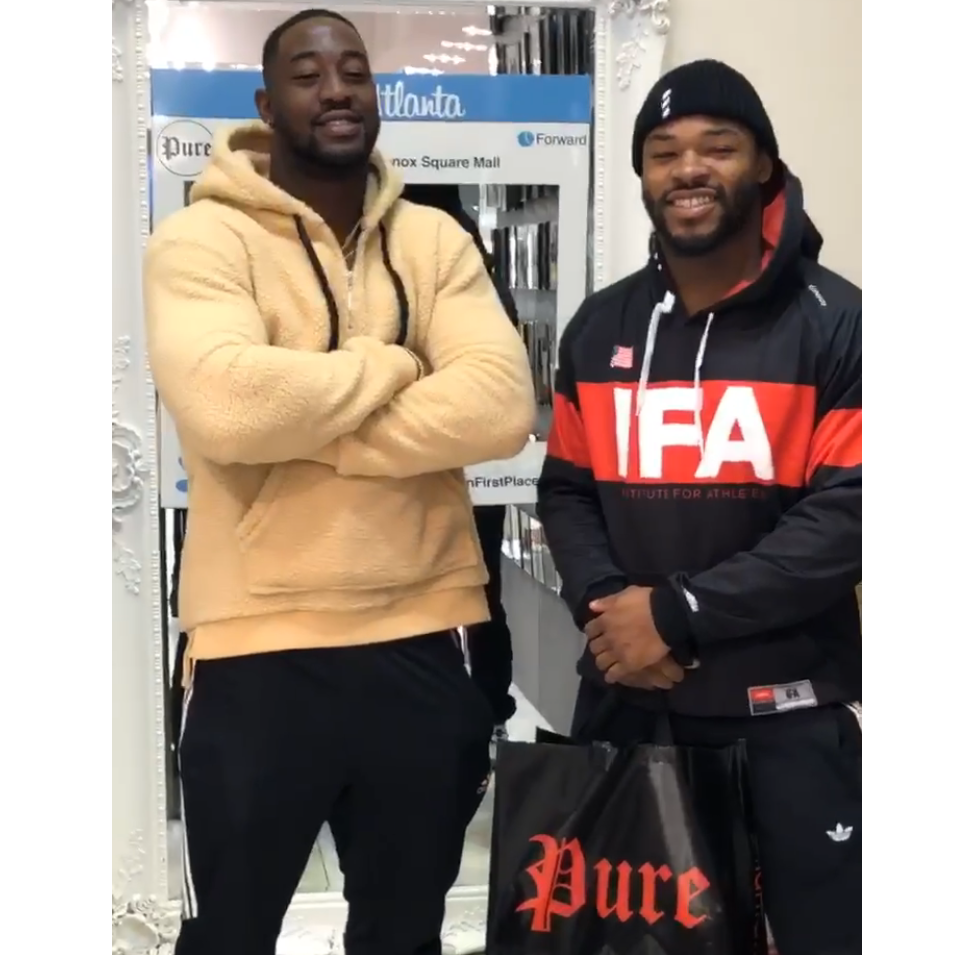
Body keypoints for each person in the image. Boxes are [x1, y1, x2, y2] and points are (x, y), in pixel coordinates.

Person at [143, 8, 536, 955]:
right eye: (309, 74)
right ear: (265, 102)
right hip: (254, 651)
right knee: (229, 933)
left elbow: (498, 407)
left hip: (424, 636)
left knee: (403, 933)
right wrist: (394, 363)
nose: (336, 90)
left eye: (354, 71)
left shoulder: (434, 241)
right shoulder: (200, 241)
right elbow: (227, 406)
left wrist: (312, 428)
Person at [537, 59, 861, 955]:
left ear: (763, 164)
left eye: (717, 146)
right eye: (663, 151)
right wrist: (610, 610)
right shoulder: (599, 326)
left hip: (786, 714)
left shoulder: (838, 323)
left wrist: (674, 614)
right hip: (630, 705)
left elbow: (847, 517)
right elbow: (567, 487)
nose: (688, 168)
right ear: (641, 175)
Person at [403, 183, 520, 742]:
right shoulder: (474, 258)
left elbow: (497, 397)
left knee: (459, 595)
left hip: (451, 469)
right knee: (479, 592)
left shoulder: (441, 256)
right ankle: (488, 717)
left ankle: (479, 716)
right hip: (470, 469)